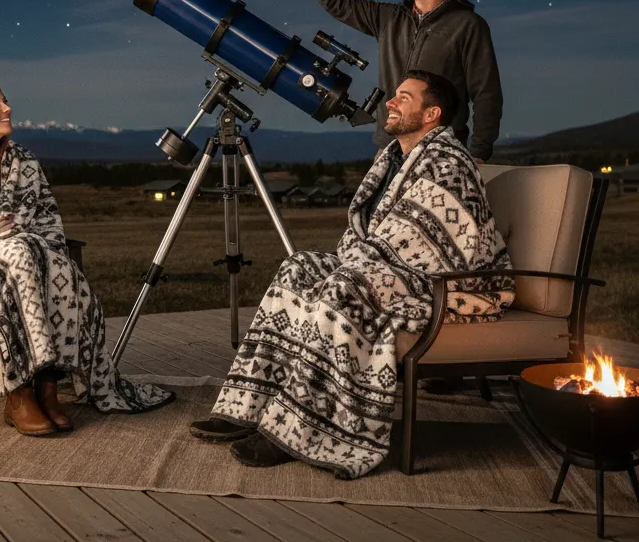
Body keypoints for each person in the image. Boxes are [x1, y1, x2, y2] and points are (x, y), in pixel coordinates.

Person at [189, 70, 514, 479]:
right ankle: (250, 404)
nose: (390, 104)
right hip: (385, 266)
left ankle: (300, 428)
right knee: (299, 266)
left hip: (446, 282)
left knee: (346, 285)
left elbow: (432, 244)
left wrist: (360, 262)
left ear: (432, 113)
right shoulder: (393, 157)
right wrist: (359, 257)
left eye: (403, 98)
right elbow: (372, 228)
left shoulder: (448, 163)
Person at [0, 81, 173, 435]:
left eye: (5, 100)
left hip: (15, 252)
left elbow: (45, 221)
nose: (7, 107)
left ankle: (48, 385)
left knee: (53, 262)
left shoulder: (21, 160)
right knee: (23, 255)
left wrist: (16, 241)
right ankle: (18, 391)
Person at [288, 0, 502, 162]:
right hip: (390, 149)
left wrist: (480, 154)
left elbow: (486, 94)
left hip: (440, 153)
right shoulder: (388, 18)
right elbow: (339, 3)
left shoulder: (468, 25)